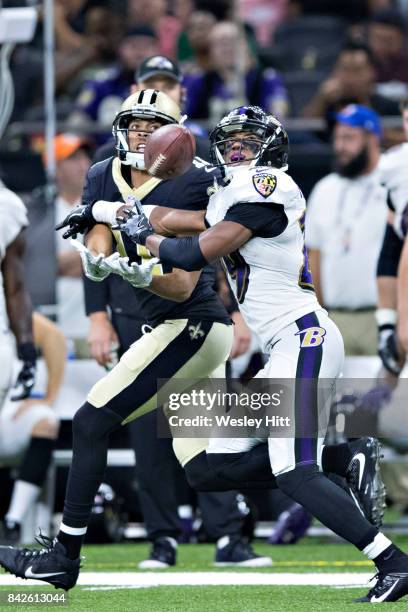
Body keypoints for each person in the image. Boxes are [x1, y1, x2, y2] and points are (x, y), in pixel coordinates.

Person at [104, 105, 408, 603]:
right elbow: (188, 219)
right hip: (281, 349)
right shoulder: (231, 195)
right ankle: (344, 455)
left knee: (294, 471)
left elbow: (192, 249)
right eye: (232, 141)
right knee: (206, 469)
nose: (238, 148)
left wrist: (145, 237)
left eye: (249, 139)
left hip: (303, 337)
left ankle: (392, 561)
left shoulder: (267, 186)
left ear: (271, 149)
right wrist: (111, 212)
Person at [0, 90, 273, 590]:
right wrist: (97, 255)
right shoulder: (104, 171)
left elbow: (184, 282)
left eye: (154, 125)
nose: (143, 134)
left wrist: (134, 271)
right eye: (136, 124)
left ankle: (64, 556)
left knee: (89, 421)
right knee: (211, 470)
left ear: (177, 133)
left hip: (190, 324)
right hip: (178, 329)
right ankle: (342, 460)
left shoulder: (194, 182)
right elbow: (97, 226)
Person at [305, 105, 387, 356]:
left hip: (381, 316)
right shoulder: (324, 188)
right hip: (335, 317)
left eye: (349, 137)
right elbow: (314, 255)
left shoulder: (393, 182)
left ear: (372, 138)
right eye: (338, 137)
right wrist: (318, 314)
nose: (340, 145)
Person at [0, 313, 65, 544]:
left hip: (8, 413)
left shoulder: (8, 314)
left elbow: (54, 337)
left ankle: (13, 521)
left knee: (46, 421)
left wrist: (50, 397)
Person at [24, 134, 92, 349]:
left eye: (85, 158)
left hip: (93, 316)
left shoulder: (101, 208)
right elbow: (35, 266)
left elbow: (105, 259)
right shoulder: (37, 212)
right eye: (73, 159)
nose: (83, 165)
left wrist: (63, 263)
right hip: (52, 314)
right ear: (55, 167)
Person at [184, 21, 288, 122]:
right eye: (221, 43)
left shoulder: (266, 79)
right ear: (210, 50)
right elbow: (185, 120)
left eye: (233, 41)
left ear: (246, 45)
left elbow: (277, 119)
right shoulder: (199, 82)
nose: (227, 47)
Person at [302, 42, 400, 120]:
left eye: (357, 70)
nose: (350, 78)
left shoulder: (388, 107)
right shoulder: (326, 103)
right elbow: (304, 130)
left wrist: (363, 99)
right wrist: (321, 99)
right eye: (345, 69)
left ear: (372, 72)